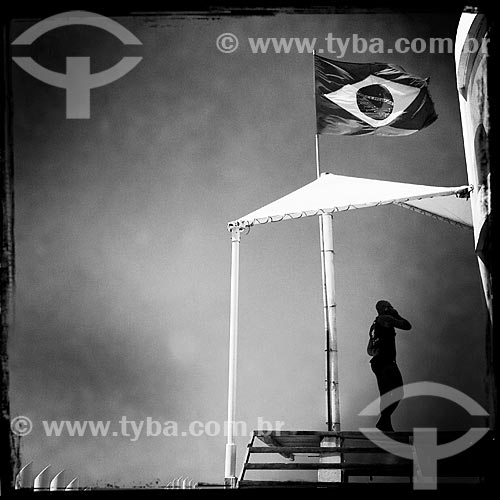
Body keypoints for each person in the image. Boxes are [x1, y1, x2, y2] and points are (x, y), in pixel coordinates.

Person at [367, 300, 412, 432]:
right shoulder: (386, 319)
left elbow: (369, 349)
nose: (391, 308)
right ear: (384, 308)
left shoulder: (374, 325)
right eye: (389, 307)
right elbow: (407, 325)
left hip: (378, 363)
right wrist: (396, 315)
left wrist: (374, 352)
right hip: (386, 362)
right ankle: (384, 421)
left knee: (386, 393)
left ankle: (385, 422)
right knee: (398, 391)